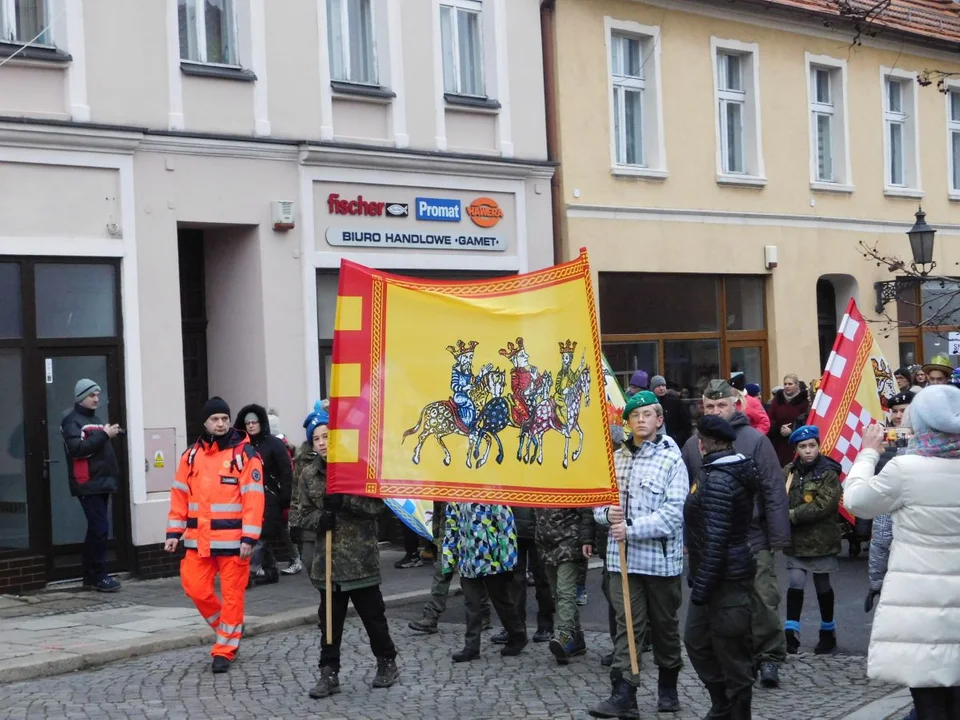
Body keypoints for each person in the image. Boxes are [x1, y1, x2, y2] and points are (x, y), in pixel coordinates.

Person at [845, 385, 960, 720]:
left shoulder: (906, 469)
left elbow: (857, 502)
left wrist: (867, 454)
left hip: (919, 605)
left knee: (928, 702)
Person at [681, 380, 791, 688]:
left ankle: (770, 657)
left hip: (753, 535)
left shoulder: (755, 440)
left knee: (763, 599)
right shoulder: (693, 445)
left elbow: (772, 488)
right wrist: (689, 540)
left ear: (735, 406)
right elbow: (687, 494)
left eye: (722, 406)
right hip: (711, 540)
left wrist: (778, 537)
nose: (717, 411)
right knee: (725, 605)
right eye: (710, 406)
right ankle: (737, 658)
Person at [589, 391, 688, 719]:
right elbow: (598, 508)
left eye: (648, 414)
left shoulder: (672, 460)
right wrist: (607, 517)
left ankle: (668, 685)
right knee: (627, 625)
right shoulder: (614, 459)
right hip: (622, 562)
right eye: (635, 416)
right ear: (627, 422)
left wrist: (629, 528)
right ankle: (623, 693)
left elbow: (673, 515)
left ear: (659, 420)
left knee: (664, 627)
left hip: (660, 563)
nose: (641, 420)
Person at [298, 406, 399, 698]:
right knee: (329, 624)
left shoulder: (358, 468)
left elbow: (377, 508)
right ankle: (329, 674)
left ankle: (387, 661)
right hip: (327, 565)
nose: (321, 442)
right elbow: (302, 515)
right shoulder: (308, 474)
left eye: (326, 436)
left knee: (374, 619)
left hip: (360, 561)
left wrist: (346, 502)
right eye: (316, 438)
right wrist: (321, 519)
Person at [164, 397, 264, 673]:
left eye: (224, 419)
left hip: (234, 543)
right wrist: (174, 531)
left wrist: (249, 538)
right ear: (205, 423)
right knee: (194, 587)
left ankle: (225, 649)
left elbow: (254, 500)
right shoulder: (191, 456)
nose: (220, 424)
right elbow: (179, 496)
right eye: (215, 419)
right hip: (199, 540)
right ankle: (228, 629)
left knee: (233, 596)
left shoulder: (246, 455)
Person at [684, 415, 759, 720]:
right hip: (715, 574)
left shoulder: (718, 479)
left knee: (732, 653)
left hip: (725, 577)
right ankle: (722, 704)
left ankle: (736, 712)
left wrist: (700, 587)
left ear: (705, 443)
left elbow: (716, 541)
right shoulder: (715, 471)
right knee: (696, 640)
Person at [781, 426, 842, 656]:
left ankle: (828, 630)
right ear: (796, 449)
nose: (808, 451)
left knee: (822, 585)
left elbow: (824, 504)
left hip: (822, 538)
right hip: (796, 539)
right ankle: (791, 633)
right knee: (795, 582)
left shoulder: (828, 471)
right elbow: (779, 495)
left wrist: (794, 515)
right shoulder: (790, 471)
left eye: (812, 446)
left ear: (818, 446)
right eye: (803, 447)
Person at [442, 502, 527, 662]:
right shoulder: (455, 498)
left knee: (501, 601)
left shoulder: (492, 495)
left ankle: (517, 635)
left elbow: (506, 527)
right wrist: (448, 560)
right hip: (467, 560)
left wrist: (508, 561)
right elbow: (451, 530)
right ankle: (471, 647)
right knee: (471, 604)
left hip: (491, 559)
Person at [60, 379, 123, 593]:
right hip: (88, 483)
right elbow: (77, 449)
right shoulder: (72, 421)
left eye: (97, 394)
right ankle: (97, 575)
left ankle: (90, 575)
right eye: (91, 395)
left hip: (101, 482)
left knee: (98, 529)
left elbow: (95, 447)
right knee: (100, 528)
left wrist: (108, 433)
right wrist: (105, 435)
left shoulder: (93, 419)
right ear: (81, 397)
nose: (96, 399)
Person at [408, 500, 493, 634]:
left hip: (472, 524)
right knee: (442, 570)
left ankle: (483, 614)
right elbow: (438, 505)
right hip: (448, 529)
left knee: (475, 573)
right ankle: (431, 616)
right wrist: (436, 535)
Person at [235, 404, 293, 586]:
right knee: (259, 536)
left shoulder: (274, 444)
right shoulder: (241, 446)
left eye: (254, 422)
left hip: (269, 497)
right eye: (248, 423)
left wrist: (285, 497)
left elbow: (286, 471)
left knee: (260, 536)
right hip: (247, 498)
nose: (251, 425)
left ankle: (249, 573)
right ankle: (269, 570)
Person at [535, 503, 591, 664]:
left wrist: (587, 539)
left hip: (569, 542)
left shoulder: (571, 481)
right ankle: (578, 638)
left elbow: (586, 511)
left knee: (565, 591)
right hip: (546, 544)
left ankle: (565, 637)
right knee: (558, 594)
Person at [492, 506, 554, 645]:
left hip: (537, 526)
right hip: (517, 526)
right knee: (517, 581)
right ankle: (517, 627)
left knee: (541, 579)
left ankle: (543, 625)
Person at [766, 374, 811, 467]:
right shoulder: (777, 400)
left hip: (797, 443)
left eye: (790, 384)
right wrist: (779, 428)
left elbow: (807, 421)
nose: (787, 386)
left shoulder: (804, 401)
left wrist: (792, 431)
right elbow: (769, 419)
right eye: (785, 384)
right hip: (779, 443)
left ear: (797, 385)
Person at [651, 375, 692, 449]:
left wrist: (677, 438)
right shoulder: (650, 404)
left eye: (663, 385)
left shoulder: (675, 402)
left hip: (675, 444)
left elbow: (686, 424)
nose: (661, 388)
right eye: (658, 386)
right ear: (652, 388)